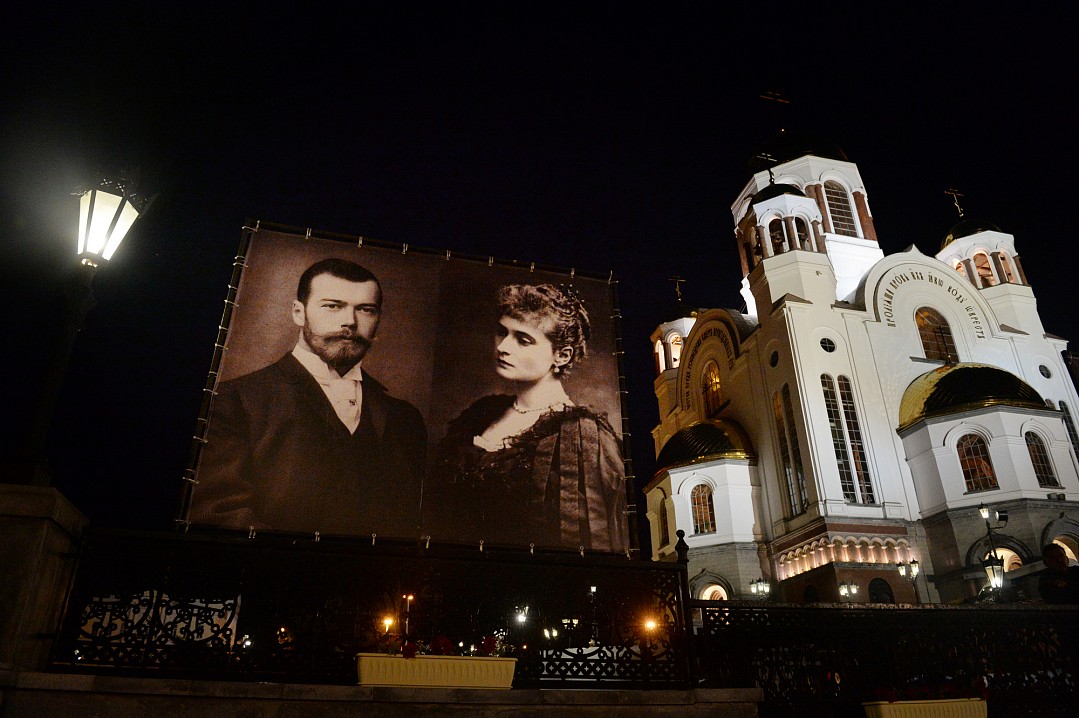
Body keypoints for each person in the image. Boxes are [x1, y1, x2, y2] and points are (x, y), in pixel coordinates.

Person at [190, 258, 427, 536]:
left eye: (365, 310)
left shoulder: (404, 417)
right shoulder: (235, 401)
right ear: (298, 312)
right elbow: (219, 516)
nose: (349, 322)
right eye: (332, 306)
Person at [432, 283, 628, 552]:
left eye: (523, 340)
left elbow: (587, 541)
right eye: (502, 332)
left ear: (561, 356)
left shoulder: (580, 436)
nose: (503, 347)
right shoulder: (481, 413)